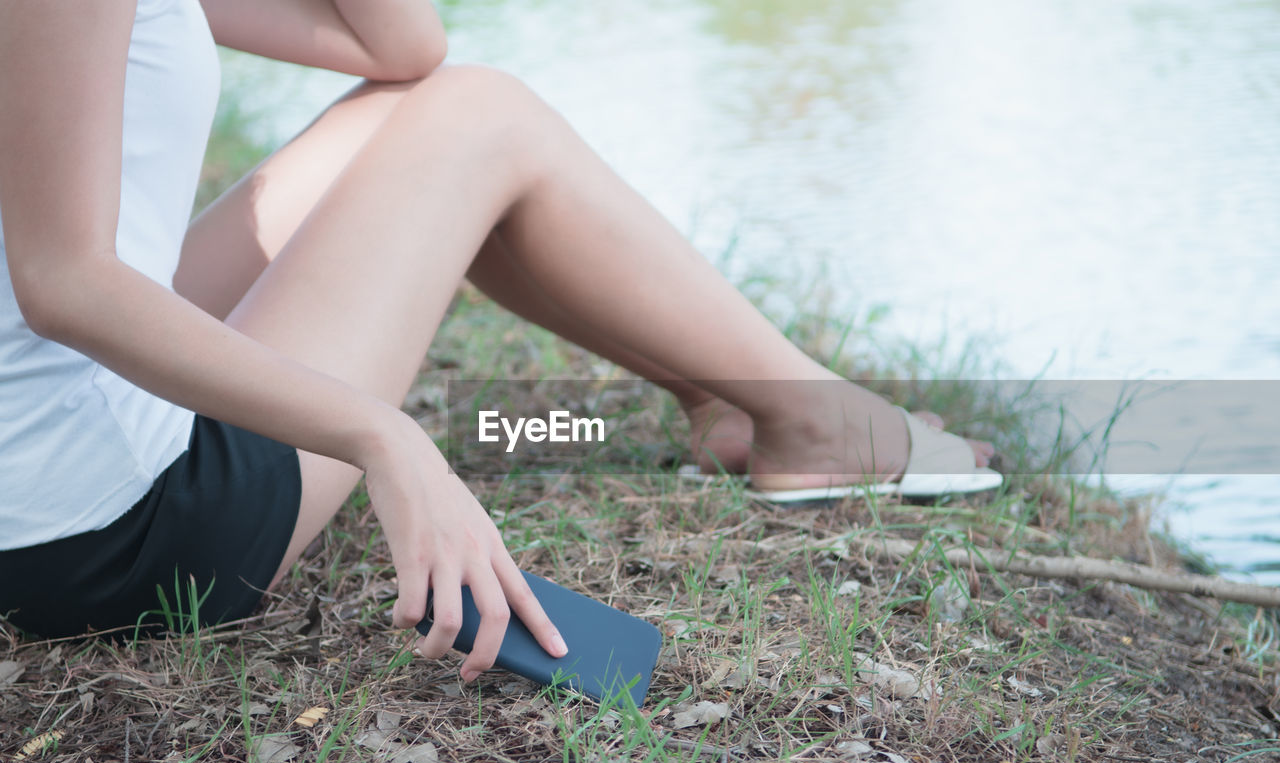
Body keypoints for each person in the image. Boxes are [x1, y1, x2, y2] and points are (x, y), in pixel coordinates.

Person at [0, 1, 995, 681]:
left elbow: (398, 50)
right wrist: (386, 438)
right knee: (485, 120)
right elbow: (65, 282)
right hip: (109, 529)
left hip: (45, 441)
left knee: (419, 111)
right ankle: (805, 418)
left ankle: (726, 397)